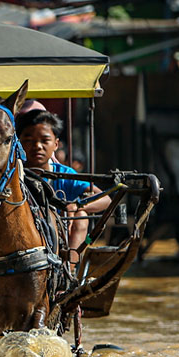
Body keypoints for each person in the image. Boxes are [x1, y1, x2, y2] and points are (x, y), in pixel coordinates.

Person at [16, 110, 110, 263]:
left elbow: (106, 200)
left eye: (44, 140)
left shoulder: (65, 175)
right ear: (19, 143)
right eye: (29, 140)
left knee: (81, 216)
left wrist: (77, 206)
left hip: (62, 239)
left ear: (56, 144)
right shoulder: (13, 175)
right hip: (22, 238)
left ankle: (68, 272)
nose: (37, 146)